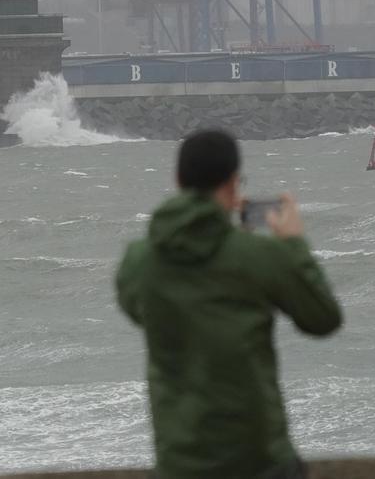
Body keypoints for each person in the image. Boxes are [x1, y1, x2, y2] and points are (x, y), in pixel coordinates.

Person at [116, 129, 343, 478]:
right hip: (259, 462)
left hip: (179, 466)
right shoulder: (258, 256)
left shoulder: (138, 262)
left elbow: (140, 309)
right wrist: (293, 244)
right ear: (234, 183)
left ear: (177, 180)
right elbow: (323, 318)